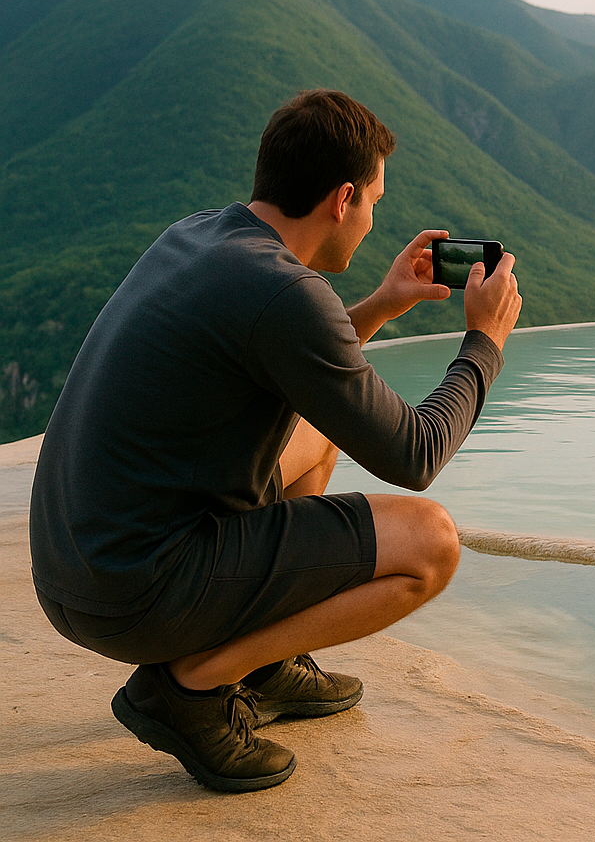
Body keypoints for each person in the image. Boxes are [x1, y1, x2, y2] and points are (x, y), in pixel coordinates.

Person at [28, 89, 523, 792]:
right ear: (342, 198)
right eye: (375, 201)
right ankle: (194, 686)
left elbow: (294, 356)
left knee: (319, 433)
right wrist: (485, 342)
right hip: (132, 593)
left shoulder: (203, 237)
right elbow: (415, 456)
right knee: (432, 545)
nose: (373, 216)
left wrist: (384, 302)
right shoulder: (286, 291)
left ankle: (264, 666)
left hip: (76, 570)